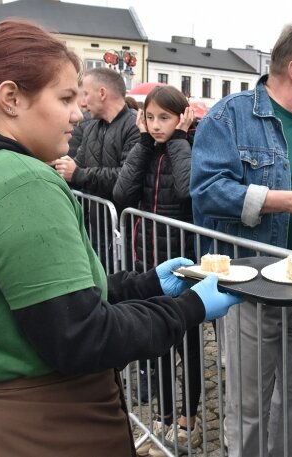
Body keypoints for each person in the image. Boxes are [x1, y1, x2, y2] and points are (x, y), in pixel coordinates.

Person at [0, 19, 241, 457]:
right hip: (19, 431)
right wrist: (191, 307)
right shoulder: (18, 182)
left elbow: (32, 299)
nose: (78, 113)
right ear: (11, 98)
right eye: (65, 98)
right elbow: (81, 336)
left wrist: (143, 285)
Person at [191, 23, 292, 457]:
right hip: (252, 287)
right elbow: (206, 191)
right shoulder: (230, 116)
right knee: (249, 403)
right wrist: (281, 201)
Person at [113, 86, 201, 456]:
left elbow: (186, 191)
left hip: (180, 263)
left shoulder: (188, 147)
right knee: (157, 339)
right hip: (147, 262)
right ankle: (165, 415)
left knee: (188, 342)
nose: (156, 125)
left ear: (180, 118)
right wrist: (143, 144)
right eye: (150, 117)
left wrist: (179, 138)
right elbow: (121, 193)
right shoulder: (145, 149)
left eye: (165, 117)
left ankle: (188, 419)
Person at [54, 67, 138, 202]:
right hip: (97, 219)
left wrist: (78, 174)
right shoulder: (91, 127)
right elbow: (77, 165)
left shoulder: (136, 126)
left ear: (102, 93)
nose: (82, 103)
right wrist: (60, 166)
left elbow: (126, 177)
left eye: (86, 94)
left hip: (125, 220)